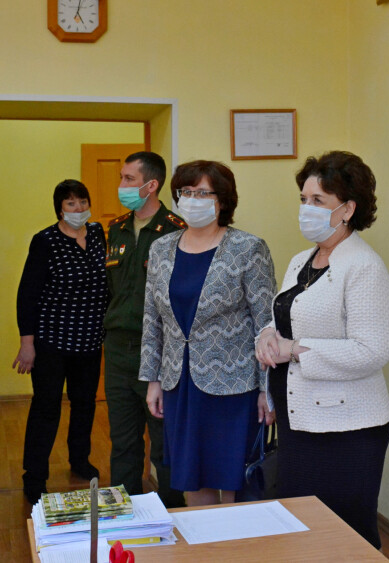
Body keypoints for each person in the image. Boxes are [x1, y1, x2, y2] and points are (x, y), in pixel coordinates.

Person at [255, 150, 389, 548]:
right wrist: (266, 335)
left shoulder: (364, 266)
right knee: (301, 532)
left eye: (318, 200)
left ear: (348, 209)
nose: (306, 209)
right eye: (304, 199)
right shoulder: (302, 259)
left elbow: (371, 351)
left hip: (346, 429)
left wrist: (293, 349)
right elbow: (285, 315)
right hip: (299, 421)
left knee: (344, 538)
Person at [139, 160, 276, 506]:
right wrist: (153, 380)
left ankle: (235, 541)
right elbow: (153, 320)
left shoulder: (248, 248)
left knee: (233, 482)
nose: (191, 200)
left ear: (222, 200)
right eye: (185, 192)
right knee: (192, 478)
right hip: (179, 385)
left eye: (202, 193)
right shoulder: (161, 249)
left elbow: (266, 324)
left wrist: (267, 389)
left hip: (234, 386)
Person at [13, 179, 108, 504]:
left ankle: (79, 459)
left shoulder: (98, 235)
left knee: (85, 405)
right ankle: (34, 476)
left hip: (90, 341)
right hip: (51, 342)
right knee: (46, 408)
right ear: (60, 209)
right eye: (71, 203)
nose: (79, 208)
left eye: (83, 202)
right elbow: (27, 295)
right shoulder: (45, 241)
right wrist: (27, 344)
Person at [104, 151, 186, 508]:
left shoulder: (177, 230)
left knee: (165, 443)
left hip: (160, 351)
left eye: (129, 179)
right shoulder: (116, 228)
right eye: (121, 177)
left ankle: (172, 516)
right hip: (118, 349)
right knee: (123, 441)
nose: (121, 185)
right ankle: (125, 517)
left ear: (151, 185)